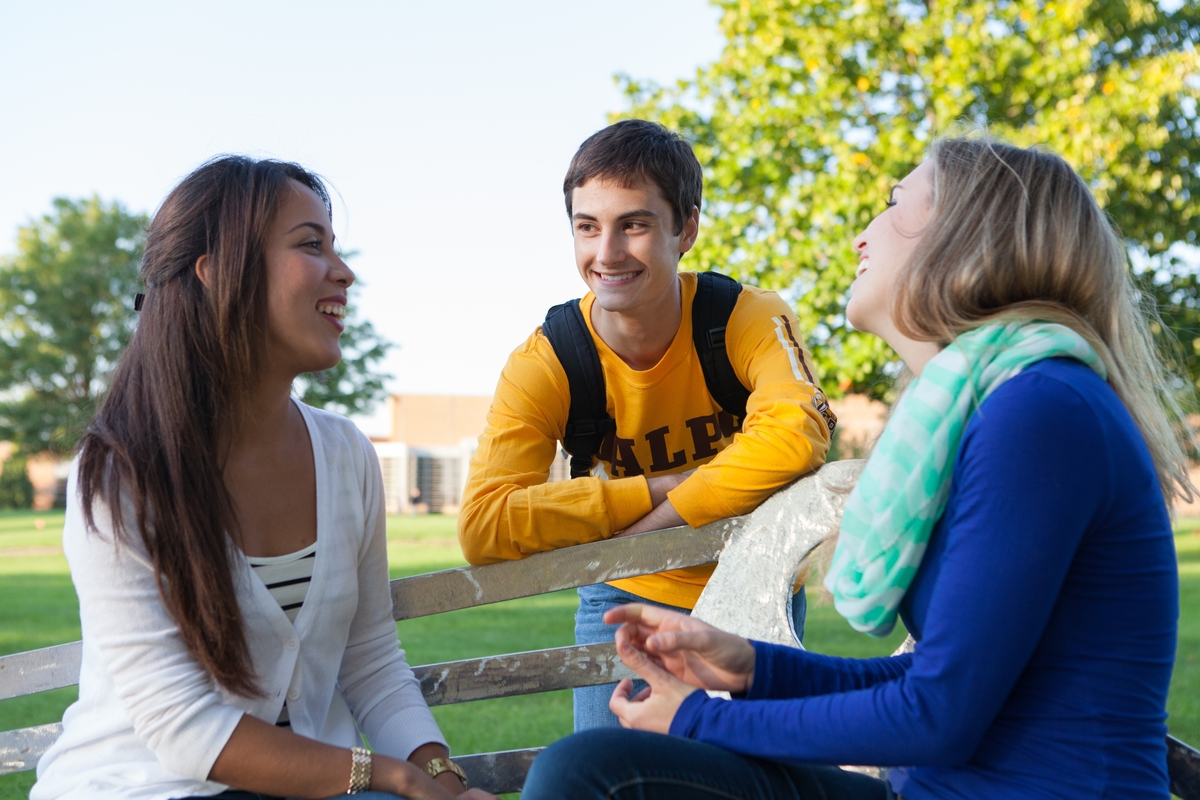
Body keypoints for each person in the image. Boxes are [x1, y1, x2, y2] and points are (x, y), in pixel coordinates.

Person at [520, 133, 1192, 799]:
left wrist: (699, 718)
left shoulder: (1040, 413)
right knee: (593, 767)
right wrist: (749, 668)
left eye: (896, 204)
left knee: (592, 775)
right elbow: (931, 684)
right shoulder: (1006, 407)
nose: (863, 236)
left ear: (967, 238)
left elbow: (936, 717)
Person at [31, 157, 496, 800]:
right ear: (219, 273)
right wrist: (391, 777)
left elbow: (371, 657)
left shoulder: (345, 454)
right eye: (311, 244)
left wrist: (439, 773)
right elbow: (183, 727)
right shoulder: (121, 471)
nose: (345, 272)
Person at [456, 120, 837, 730]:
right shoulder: (548, 360)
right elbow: (485, 525)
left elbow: (798, 432)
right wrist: (658, 489)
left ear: (686, 227)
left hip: (757, 582)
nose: (605, 253)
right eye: (587, 226)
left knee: (754, 780)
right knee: (608, 775)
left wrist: (653, 526)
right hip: (624, 598)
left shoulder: (744, 317)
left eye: (632, 224)